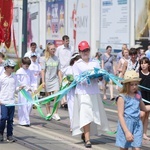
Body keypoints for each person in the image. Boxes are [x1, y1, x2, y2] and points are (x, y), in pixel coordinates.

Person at [72, 41, 110, 148]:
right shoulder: (77, 64)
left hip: (93, 92)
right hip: (82, 93)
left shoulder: (95, 62)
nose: (85, 52)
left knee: (93, 115)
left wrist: (100, 76)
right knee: (85, 114)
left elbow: (99, 77)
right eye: (83, 50)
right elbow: (76, 79)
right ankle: (88, 140)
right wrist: (86, 79)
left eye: (87, 50)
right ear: (79, 51)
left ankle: (85, 134)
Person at [115, 70, 150, 149]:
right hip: (126, 124)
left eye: (136, 84)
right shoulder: (122, 97)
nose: (134, 86)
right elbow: (120, 115)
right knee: (124, 147)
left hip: (137, 124)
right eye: (132, 85)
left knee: (137, 147)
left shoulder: (138, 94)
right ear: (126, 85)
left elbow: (143, 108)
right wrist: (127, 132)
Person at [0, 59, 23, 142]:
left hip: (12, 102)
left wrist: (19, 88)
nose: (13, 69)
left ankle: (10, 135)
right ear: (6, 67)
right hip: (3, 101)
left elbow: (15, 89)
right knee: (4, 118)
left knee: (10, 120)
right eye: (12, 67)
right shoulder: (1, 77)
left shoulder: (14, 77)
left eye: (14, 67)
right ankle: (1, 133)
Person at [41, 43, 62, 121]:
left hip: (55, 79)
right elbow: (43, 71)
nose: (53, 50)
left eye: (54, 49)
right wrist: (43, 82)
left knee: (57, 95)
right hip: (47, 80)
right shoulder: (45, 59)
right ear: (48, 50)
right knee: (48, 97)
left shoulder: (57, 59)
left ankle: (55, 113)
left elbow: (59, 70)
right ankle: (48, 113)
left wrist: (61, 81)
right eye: (52, 49)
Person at [16, 57, 37, 127]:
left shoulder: (30, 71)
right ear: (22, 64)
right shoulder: (19, 72)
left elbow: (33, 80)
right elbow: (18, 82)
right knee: (23, 105)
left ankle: (26, 119)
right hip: (22, 91)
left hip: (29, 91)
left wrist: (34, 88)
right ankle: (23, 121)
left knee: (30, 105)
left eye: (28, 66)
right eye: (26, 65)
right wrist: (21, 87)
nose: (27, 67)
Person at [55, 35, 74, 107]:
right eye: (66, 40)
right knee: (62, 84)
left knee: (68, 85)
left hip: (69, 69)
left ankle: (65, 100)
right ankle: (63, 100)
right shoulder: (59, 49)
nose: (67, 42)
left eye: (68, 40)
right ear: (63, 41)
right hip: (61, 69)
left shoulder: (71, 48)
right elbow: (56, 58)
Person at [64, 53, 81, 131]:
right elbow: (64, 80)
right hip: (71, 91)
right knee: (71, 108)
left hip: (79, 91)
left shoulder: (81, 68)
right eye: (77, 60)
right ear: (73, 60)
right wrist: (68, 83)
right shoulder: (69, 69)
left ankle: (79, 125)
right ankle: (73, 125)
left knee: (79, 108)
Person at [139, 57, 150, 140]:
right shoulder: (139, 74)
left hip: (148, 97)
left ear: (148, 64)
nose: (143, 65)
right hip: (140, 97)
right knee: (142, 114)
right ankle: (138, 131)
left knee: (146, 116)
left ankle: (144, 133)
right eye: (141, 63)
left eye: (145, 63)